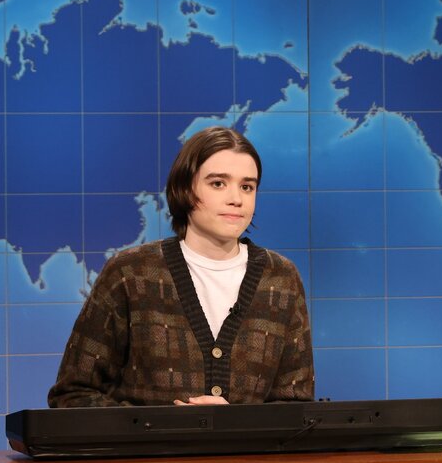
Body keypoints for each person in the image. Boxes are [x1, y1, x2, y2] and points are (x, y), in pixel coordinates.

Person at [48, 126, 314, 407]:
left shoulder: (281, 278)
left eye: (247, 186)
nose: (236, 199)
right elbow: (72, 396)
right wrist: (163, 428)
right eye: (218, 184)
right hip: (148, 452)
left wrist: (235, 425)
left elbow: (295, 408)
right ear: (185, 189)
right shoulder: (130, 273)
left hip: (244, 454)